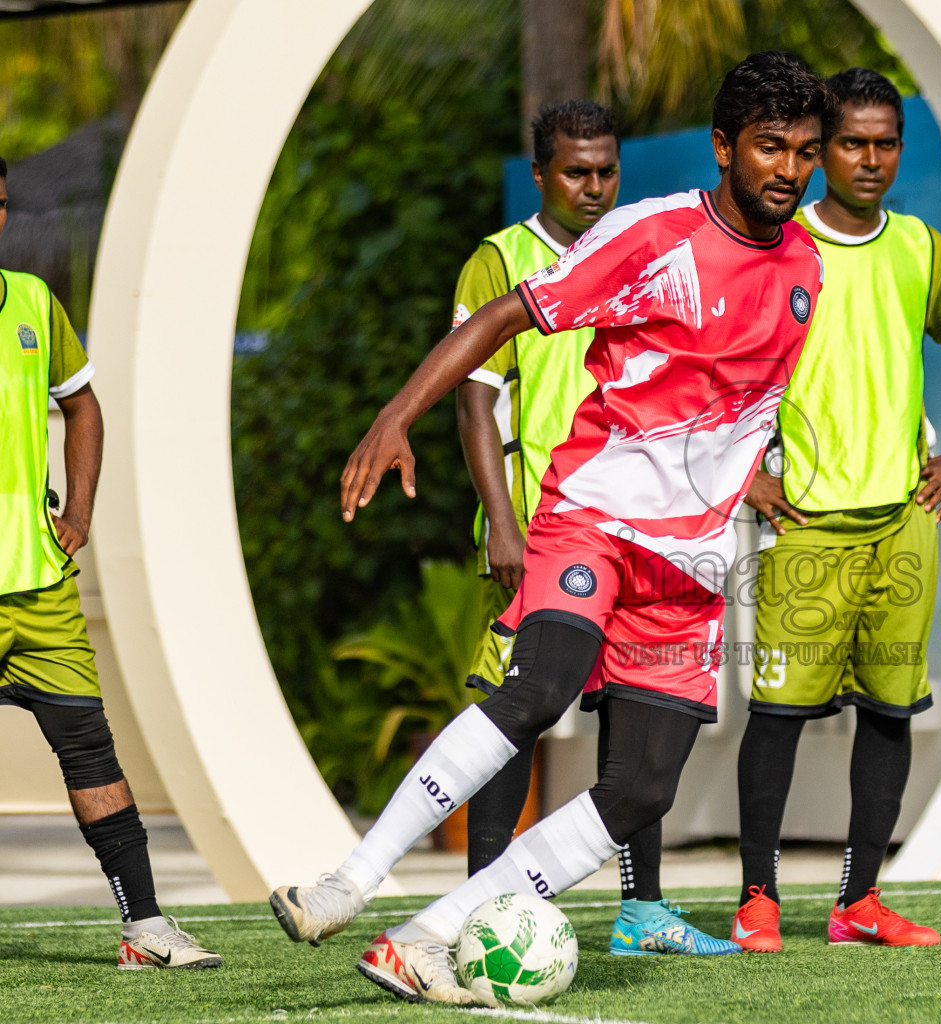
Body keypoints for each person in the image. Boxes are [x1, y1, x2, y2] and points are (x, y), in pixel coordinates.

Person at [269, 51, 832, 1005]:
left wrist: (758, 476)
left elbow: (745, 398)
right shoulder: (651, 237)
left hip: (689, 560)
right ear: (724, 147)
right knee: (541, 690)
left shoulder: (806, 268)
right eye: (770, 147)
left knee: (645, 788)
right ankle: (345, 884)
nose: (788, 169)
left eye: (804, 152)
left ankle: (428, 937)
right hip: (593, 518)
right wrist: (394, 416)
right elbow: (503, 317)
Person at [452, 98, 729, 957]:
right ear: (540, 174)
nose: (594, 186)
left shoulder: (641, 249)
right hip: (543, 532)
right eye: (576, 171)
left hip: (639, 532)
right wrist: (502, 522)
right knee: (518, 714)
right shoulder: (499, 261)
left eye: (606, 170)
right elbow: (475, 397)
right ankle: (476, 905)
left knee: (636, 716)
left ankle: (641, 909)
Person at [731, 68, 941, 951]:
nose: (870, 159)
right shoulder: (776, 245)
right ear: (820, 149)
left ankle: (858, 903)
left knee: (890, 711)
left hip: (901, 522)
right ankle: (757, 899)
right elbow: (722, 376)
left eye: (887, 144)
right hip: (803, 524)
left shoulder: (921, 247)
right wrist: (746, 475)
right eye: (852, 143)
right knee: (779, 717)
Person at [0, 157, 221, 970]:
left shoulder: (31, 300)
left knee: (92, 754)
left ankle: (145, 928)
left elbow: (82, 403)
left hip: (40, 592)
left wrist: (81, 509)